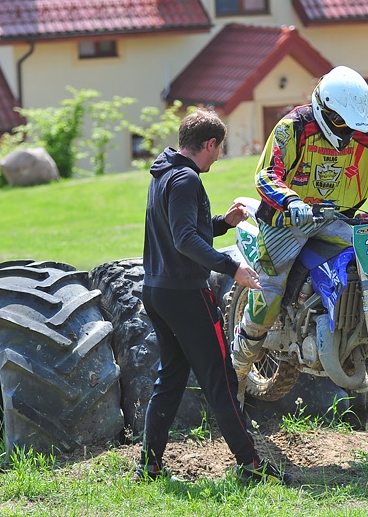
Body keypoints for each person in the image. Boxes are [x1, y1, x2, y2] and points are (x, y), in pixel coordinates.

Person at [230, 65, 368, 384]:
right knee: (271, 288)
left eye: (353, 122)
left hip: (338, 217)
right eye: (339, 121)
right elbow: (267, 175)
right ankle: (237, 363)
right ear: (322, 106)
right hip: (286, 220)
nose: (347, 129)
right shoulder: (293, 128)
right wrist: (293, 203)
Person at [136, 108, 291, 485]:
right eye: (219, 148)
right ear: (208, 144)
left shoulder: (164, 174)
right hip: (187, 295)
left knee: (170, 379)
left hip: (156, 291)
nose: (219, 156)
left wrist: (224, 223)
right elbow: (185, 240)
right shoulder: (187, 180)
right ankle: (252, 464)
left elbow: (185, 229)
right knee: (221, 379)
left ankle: (150, 465)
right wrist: (231, 267)